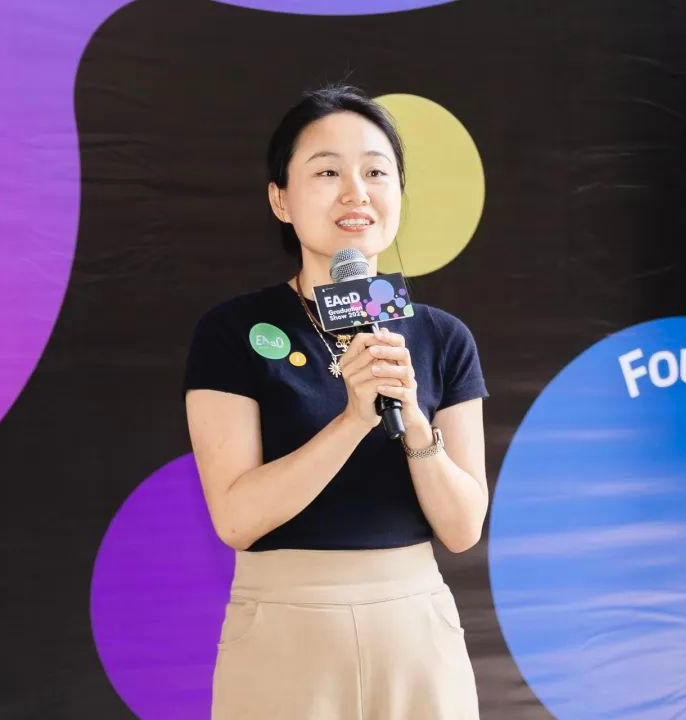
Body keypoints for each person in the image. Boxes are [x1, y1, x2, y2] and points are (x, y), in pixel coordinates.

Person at [183, 83, 489, 720]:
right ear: (281, 198)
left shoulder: (441, 337)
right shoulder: (232, 330)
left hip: (416, 629)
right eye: (327, 172)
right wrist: (352, 420)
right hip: (282, 630)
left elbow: (462, 529)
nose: (356, 193)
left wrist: (413, 423)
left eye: (376, 172)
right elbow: (236, 520)